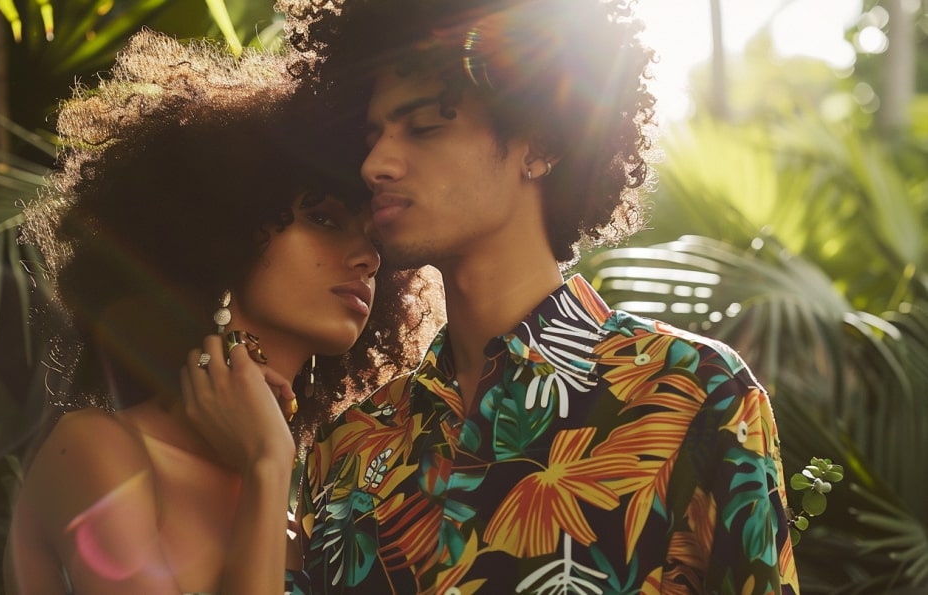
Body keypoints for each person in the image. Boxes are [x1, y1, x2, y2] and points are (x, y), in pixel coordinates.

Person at [276, 0, 800, 592]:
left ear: (541, 143)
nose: (376, 164)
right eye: (372, 136)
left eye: (424, 127)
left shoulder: (693, 394)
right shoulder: (348, 447)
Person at [3, 30, 432, 594]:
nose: (367, 258)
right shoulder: (99, 450)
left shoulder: (310, 507)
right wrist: (267, 464)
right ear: (219, 237)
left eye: (376, 238)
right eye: (324, 219)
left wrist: (269, 467)